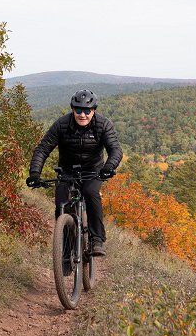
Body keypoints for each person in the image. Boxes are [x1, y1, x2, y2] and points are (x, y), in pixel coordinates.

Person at [26, 89, 123, 256]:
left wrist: (109, 167)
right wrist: (35, 173)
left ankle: (97, 239)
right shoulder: (61, 124)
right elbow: (42, 149)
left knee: (91, 193)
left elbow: (115, 150)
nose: (82, 114)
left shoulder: (103, 124)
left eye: (87, 111)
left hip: (94, 171)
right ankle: (64, 248)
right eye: (78, 110)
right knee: (61, 205)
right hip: (67, 170)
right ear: (72, 109)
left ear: (94, 110)